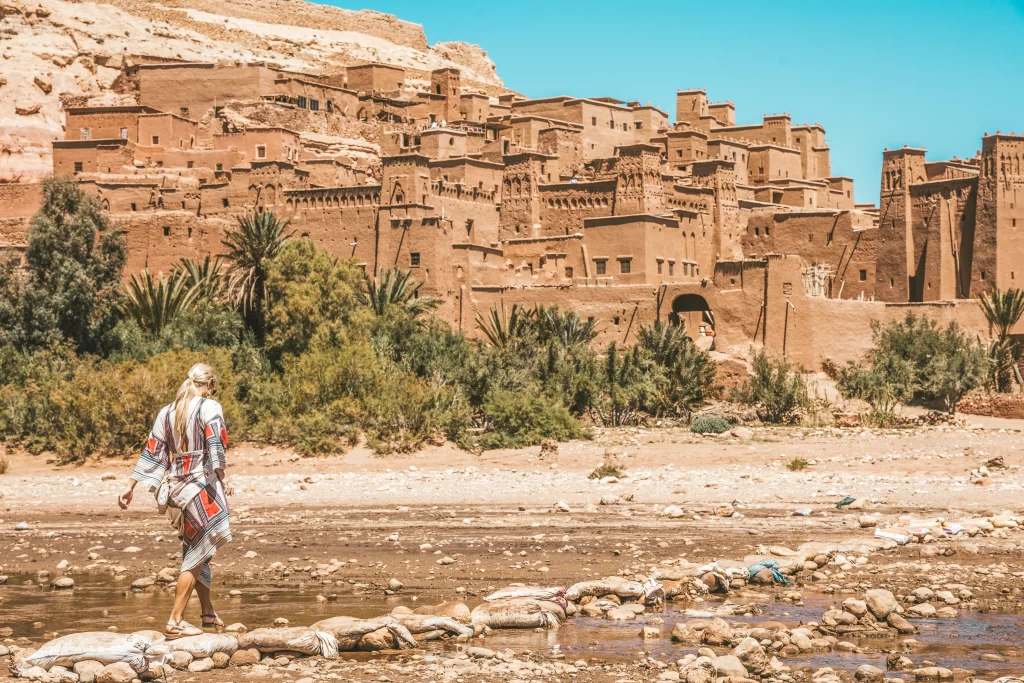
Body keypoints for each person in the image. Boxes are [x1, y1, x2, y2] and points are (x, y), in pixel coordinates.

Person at [118, 363, 233, 637]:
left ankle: (207, 613)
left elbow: (152, 452)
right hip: (201, 488)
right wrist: (223, 475)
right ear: (208, 385)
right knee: (194, 556)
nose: (211, 392)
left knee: (200, 551)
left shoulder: (166, 412)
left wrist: (130, 485)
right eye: (211, 387)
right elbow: (215, 443)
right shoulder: (209, 407)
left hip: (175, 491)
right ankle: (175, 621)